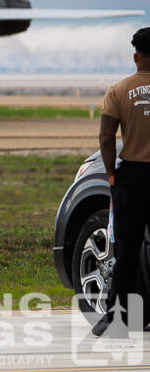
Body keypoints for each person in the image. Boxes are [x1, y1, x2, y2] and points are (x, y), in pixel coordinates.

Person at [93, 27, 150, 337]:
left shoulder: (118, 90)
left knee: (126, 251)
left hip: (133, 177)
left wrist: (112, 174)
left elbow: (105, 135)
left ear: (135, 56)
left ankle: (113, 318)